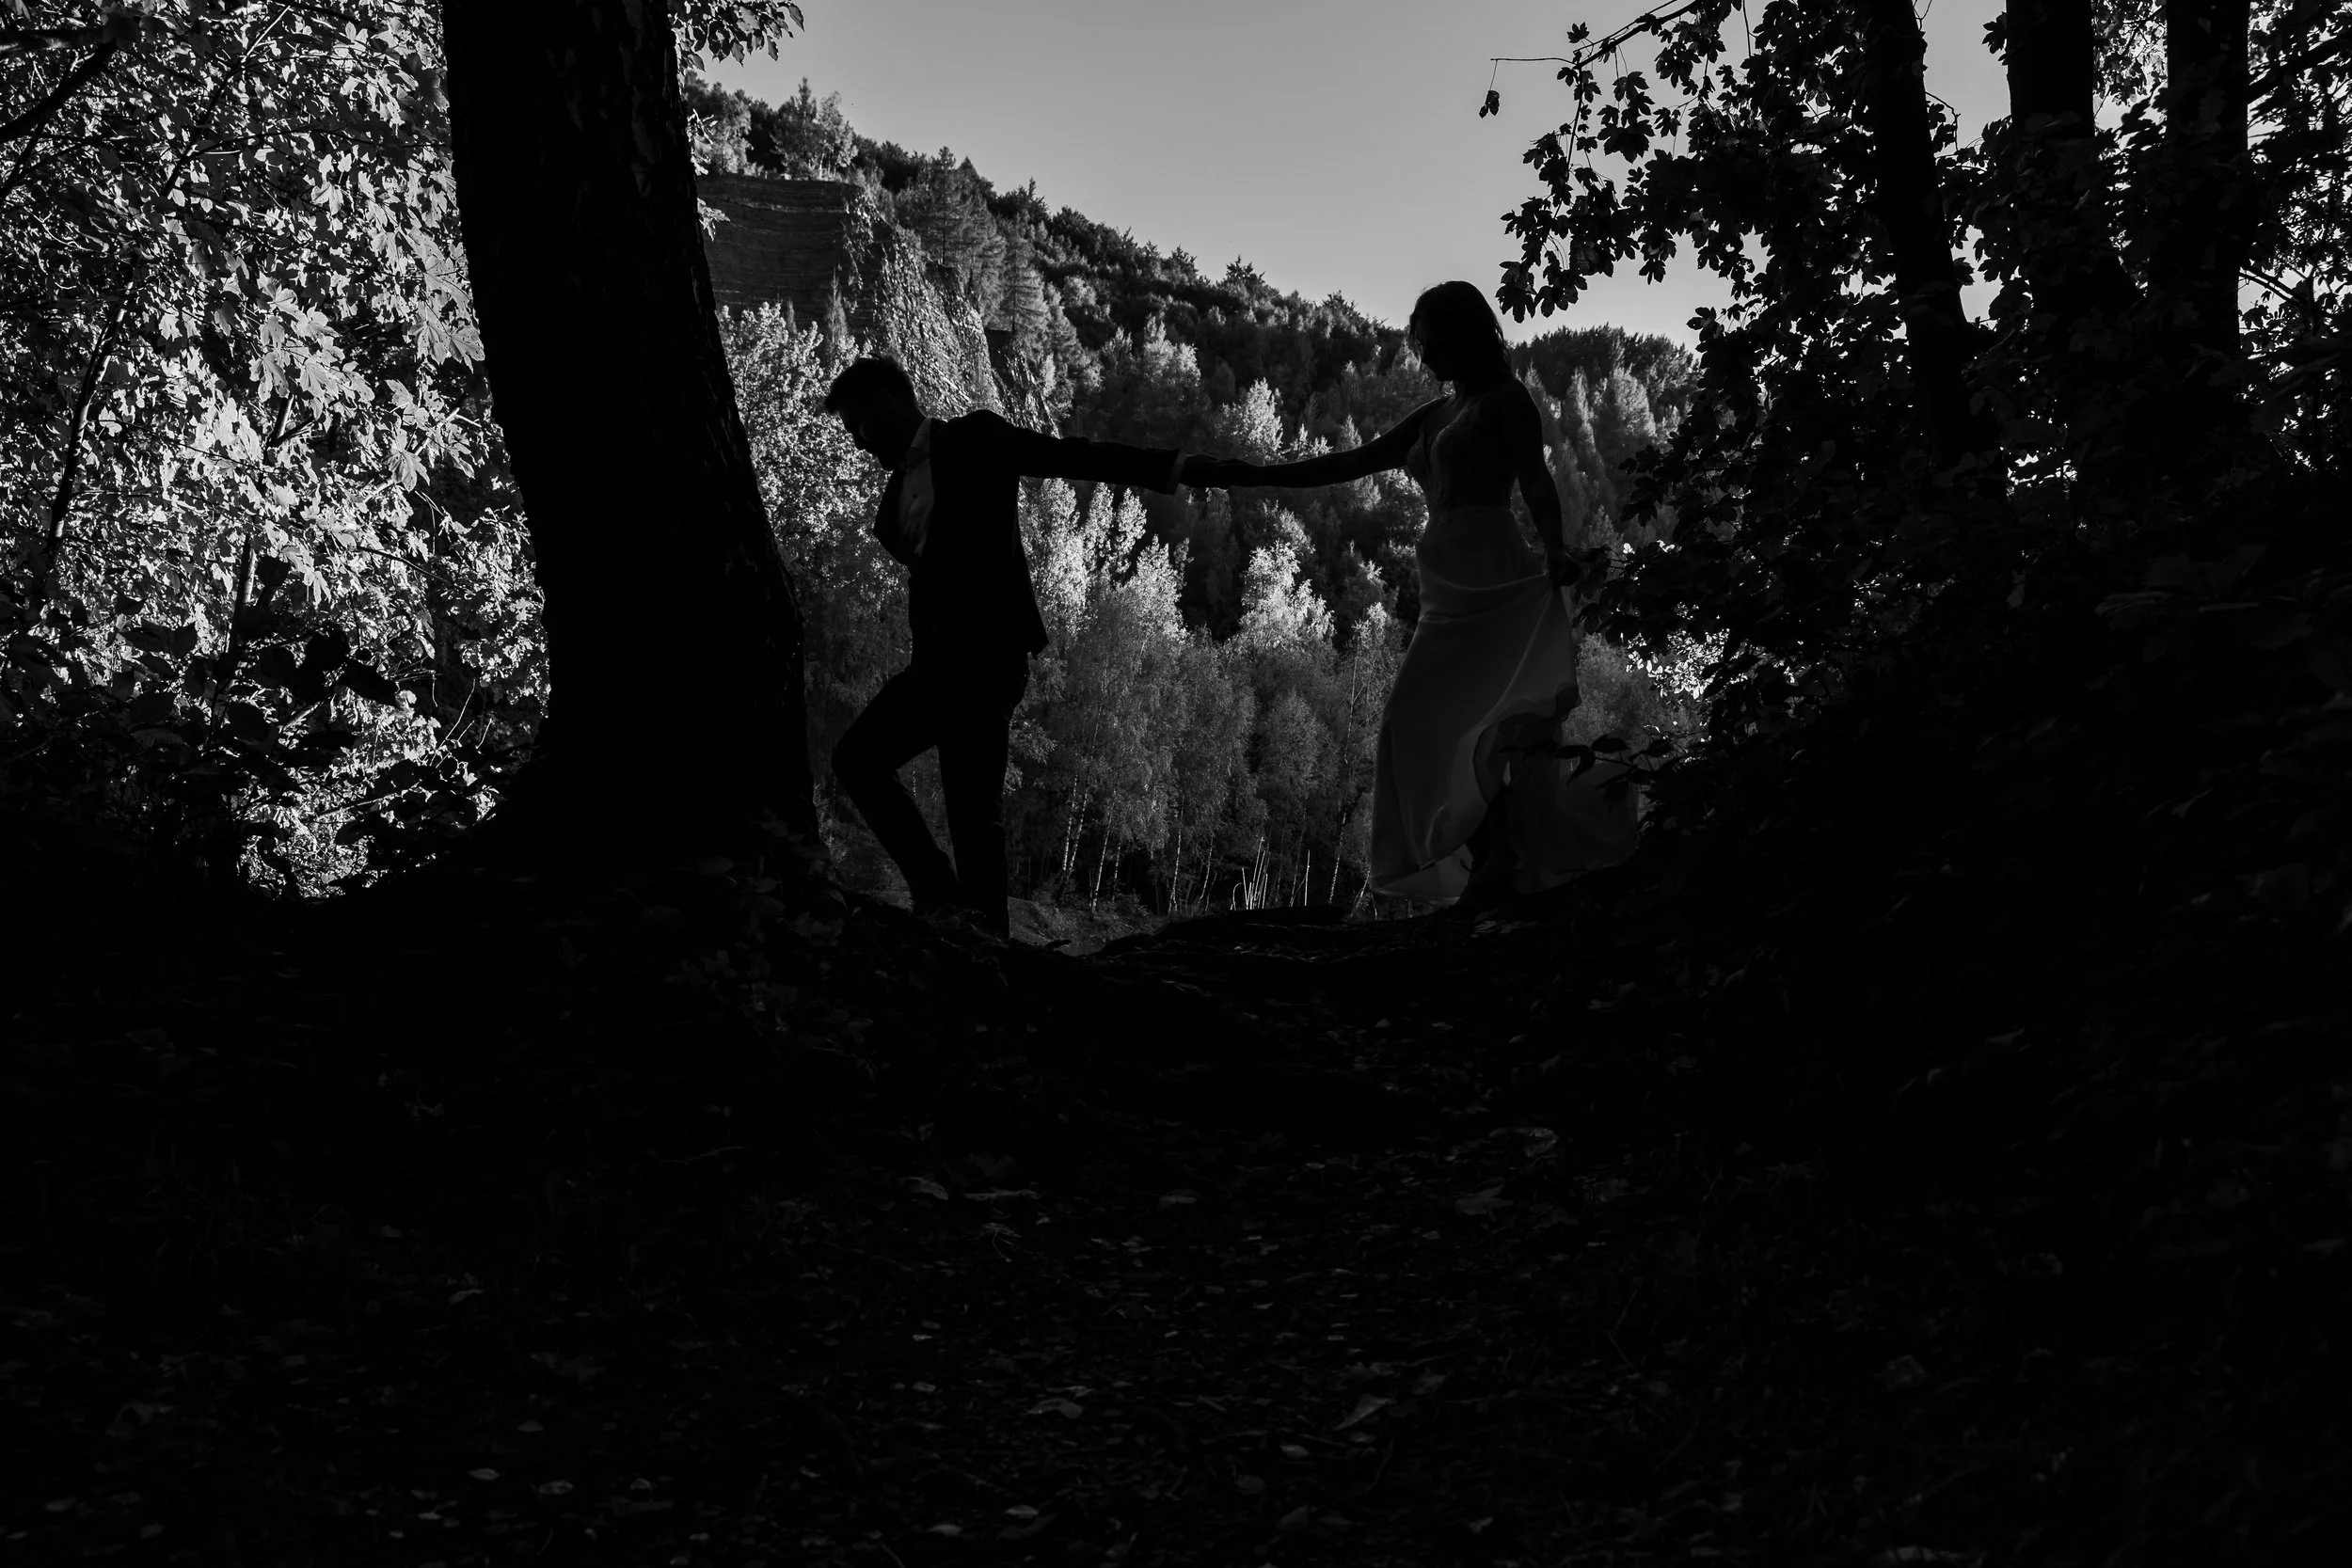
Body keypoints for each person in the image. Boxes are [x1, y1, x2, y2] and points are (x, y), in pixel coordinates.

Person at [1184, 281, 1638, 907]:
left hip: (1493, 571)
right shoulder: (1432, 416)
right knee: (1412, 722)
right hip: (1444, 585)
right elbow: (1347, 463)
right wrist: (1254, 474)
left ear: (1466, 335)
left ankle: (1499, 861)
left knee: (1494, 720)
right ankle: (1492, 853)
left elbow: (1536, 481)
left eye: (1433, 342)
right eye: (1420, 345)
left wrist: (1556, 547)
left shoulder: (1507, 399)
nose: (1425, 356)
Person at [824, 357, 1190, 937]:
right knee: (858, 760)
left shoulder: (975, 439)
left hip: (988, 660)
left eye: (857, 426)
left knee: (973, 814)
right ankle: (939, 896)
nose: (857, 442)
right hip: (935, 667)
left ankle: (986, 939)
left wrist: (1173, 468)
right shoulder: (893, 501)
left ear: (885, 402)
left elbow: (1069, 455)